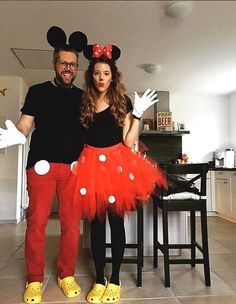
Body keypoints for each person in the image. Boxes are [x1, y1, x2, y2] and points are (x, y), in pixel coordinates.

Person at [64, 43, 167, 304]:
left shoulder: (122, 102)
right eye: (97, 73)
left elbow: (127, 139)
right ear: (91, 75)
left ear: (113, 76)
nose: (101, 78)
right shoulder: (83, 101)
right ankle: (99, 279)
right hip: (90, 165)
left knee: (115, 223)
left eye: (106, 73)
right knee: (96, 225)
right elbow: (78, 136)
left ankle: (116, 279)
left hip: (115, 165)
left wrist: (138, 115)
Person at [0, 26, 87, 304]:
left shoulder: (83, 96)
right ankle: (34, 279)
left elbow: (92, 132)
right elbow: (25, 125)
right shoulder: (37, 92)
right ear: (54, 64)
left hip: (73, 169)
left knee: (71, 226)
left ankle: (66, 274)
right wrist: (14, 134)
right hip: (41, 167)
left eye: (73, 65)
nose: (68, 68)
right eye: (63, 63)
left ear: (77, 68)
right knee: (36, 223)